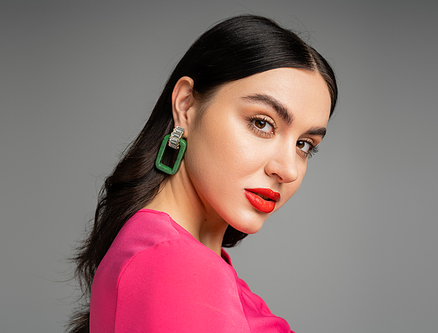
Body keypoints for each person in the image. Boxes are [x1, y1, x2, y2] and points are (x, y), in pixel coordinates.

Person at [67, 14, 338, 333]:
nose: (288, 169)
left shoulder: (179, 258)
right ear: (186, 105)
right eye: (262, 123)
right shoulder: (175, 265)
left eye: (304, 144)